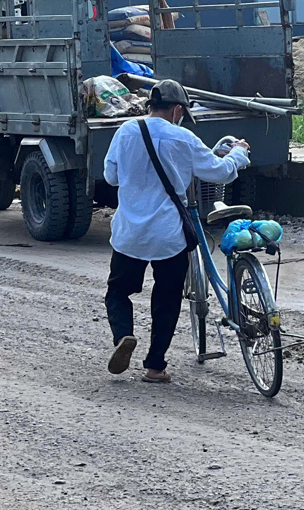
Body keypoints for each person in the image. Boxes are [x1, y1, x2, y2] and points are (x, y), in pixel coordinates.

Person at [102, 79, 250, 383]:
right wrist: (237, 153)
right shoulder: (183, 138)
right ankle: (155, 366)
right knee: (167, 297)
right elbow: (220, 171)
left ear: (151, 105)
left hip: (130, 232)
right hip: (168, 235)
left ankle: (124, 335)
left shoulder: (125, 131)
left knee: (118, 291)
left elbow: (111, 176)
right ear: (178, 109)